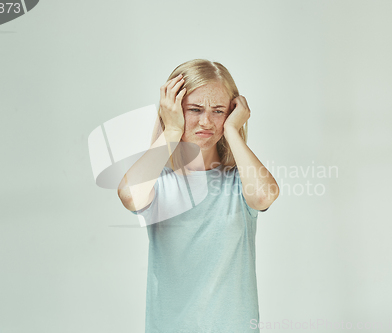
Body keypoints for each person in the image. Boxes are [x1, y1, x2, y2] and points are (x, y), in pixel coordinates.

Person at [117, 59, 279, 332]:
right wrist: (171, 131)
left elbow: (264, 196)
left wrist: (232, 131)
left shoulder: (238, 182)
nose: (206, 121)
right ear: (174, 111)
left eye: (218, 111)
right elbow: (130, 196)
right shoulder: (159, 184)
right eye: (194, 109)